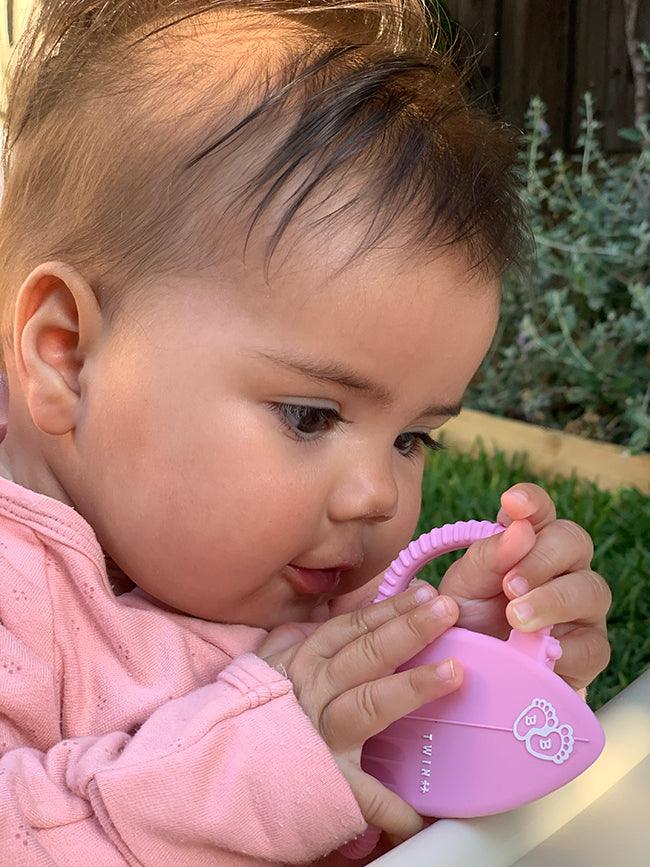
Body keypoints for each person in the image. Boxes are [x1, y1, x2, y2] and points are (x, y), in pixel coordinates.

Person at [0, 1, 612, 864]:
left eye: (413, 439)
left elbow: (393, 793)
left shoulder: (303, 578)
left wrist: (459, 670)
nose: (377, 496)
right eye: (310, 416)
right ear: (67, 355)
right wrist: (266, 760)